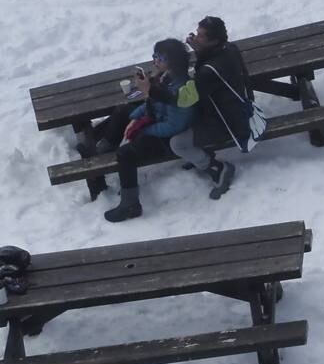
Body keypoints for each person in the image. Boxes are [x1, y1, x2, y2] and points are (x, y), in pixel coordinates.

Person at [92, 39, 196, 222]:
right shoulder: (164, 78)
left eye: (160, 57)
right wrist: (134, 117)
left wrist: (144, 129)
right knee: (123, 111)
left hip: (168, 138)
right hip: (158, 121)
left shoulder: (182, 88)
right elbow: (153, 104)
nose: (155, 60)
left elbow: (174, 126)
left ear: (173, 61)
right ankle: (101, 152)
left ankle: (130, 205)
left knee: (125, 154)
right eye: (154, 55)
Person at [168, 16, 252, 198]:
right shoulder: (229, 48)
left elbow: (184, 99)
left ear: (214, 41)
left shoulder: (209, 71)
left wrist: (153, 90)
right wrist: (202, 52)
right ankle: (199, 153)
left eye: (200, 36)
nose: (194, 39)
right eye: (196, 33)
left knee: (177, 143)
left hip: (226, 122)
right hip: (234, 109)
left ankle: (217, 168)